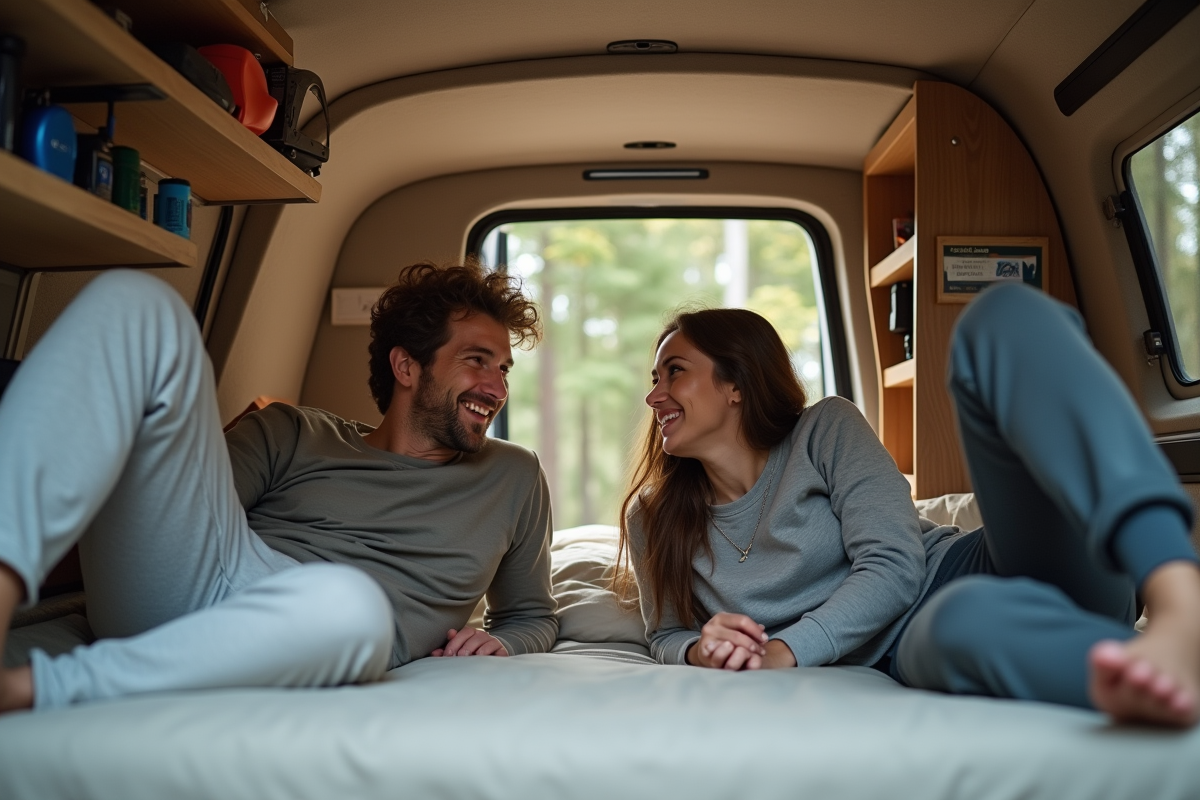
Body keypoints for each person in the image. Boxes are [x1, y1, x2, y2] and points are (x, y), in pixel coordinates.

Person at [617, 283, 1200, 727]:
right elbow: (664, 633)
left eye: (675, 371)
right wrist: (701, 647)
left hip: (972, 567)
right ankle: (1146, 673)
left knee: (1001, 314)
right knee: (958, 621)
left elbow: (896, 567)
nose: (653, 394)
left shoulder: (825, 430)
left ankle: (1179, 601)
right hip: (920, 642)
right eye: (654, 377)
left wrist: (784, 650)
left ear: (735, 383)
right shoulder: (653, 517)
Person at [0, 261, 557, 713]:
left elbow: (532, 614)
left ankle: (31, 690)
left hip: (318, 629)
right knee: (135, 301)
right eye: (477, 361)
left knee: (350, 602)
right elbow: (191, 515)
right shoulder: (291, 429)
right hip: (204, 581)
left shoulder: (514, 476)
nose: (496, 386)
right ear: (407, 368)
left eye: (504, 369)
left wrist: (505, 641)